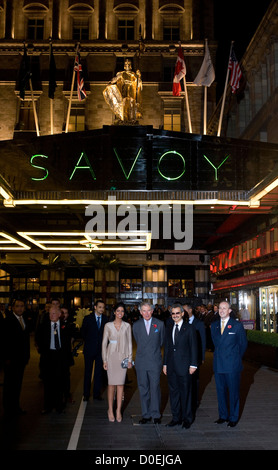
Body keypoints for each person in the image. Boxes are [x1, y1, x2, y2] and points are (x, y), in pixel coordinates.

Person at [210, 300, 248, 427]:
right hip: (218, 365)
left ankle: (233, 417)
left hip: (232, 365)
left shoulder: (236, 326)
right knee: (220, 392)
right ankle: (223, 415)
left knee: (233, 393)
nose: (221, 310)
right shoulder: (214, 325)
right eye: (220, 308)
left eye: (224, 308)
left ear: (229, 311)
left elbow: (243, 345)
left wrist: (235, 358)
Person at [163, 303, 198, 429]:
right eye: (173, 313)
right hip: (171, 367)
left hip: (185, 366)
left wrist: (193, 364)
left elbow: (194, 347)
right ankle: (176, 418)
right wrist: (165, 364)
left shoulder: (189, 328)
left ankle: (187, 419)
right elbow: (167, 347)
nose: (175, 315)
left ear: (183, 314)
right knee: (174, 394)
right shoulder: (169, 327)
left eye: (178, 313)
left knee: (186, 394)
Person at [36, 305, 73, 414]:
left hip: (61, 358)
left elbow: (67, 343)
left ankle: (59, 406)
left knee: (60, 383)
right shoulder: (43, 326)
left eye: (53, 313)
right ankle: (47, 406)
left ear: (59, 314)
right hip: (48, 358)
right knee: (48, 383)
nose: (51, 315)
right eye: (50, 314)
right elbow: (38, 339)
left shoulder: (65, 326)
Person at [132, 301, 165, 424]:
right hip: (141, 362)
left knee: (155, 388)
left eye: (148, 310)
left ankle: (156, 414)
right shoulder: (136, 325)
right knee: (143, 388)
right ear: (140, 312)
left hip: (155, 361)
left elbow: (161, 342)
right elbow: (138, 340)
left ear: (152, 311)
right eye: (144, 311)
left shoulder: (160, 324)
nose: (146, 313)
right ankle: (145, 414)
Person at [102, 302, 133, 422]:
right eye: (118, 311)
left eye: (122, 311)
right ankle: (110, 409)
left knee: (120, 384)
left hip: (123, 357)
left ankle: (118, 410)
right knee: (111, 385)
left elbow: (130, 343)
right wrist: (104, 360)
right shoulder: (108, 326)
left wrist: (129, 359)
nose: (120, 313)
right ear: (114, 312)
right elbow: (104, 344)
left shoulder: (127, 326)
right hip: (111, 356)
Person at [2, 298, 30, 417]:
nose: (20, 308)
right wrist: (6, 358)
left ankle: (16, 407)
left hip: (21, 359)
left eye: (22, 306)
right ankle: (8, 410)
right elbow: (3, 341)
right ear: (12, 308)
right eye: (17, 306)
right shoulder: (7, 321)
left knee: (17, 384)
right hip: (11, 360)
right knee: (9, 385)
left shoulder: (24, 319)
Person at [81, 299, 108, 401]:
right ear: (95, 307)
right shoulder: (88, 319)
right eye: (100, 307)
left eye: (103, 307)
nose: (102, 309)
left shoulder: (105, 319)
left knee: (98, 373)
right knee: (87, 372)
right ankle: (86, 394)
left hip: (101, 351)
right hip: (89, 350)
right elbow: (83, 333)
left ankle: (97, 394)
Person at [183, 303, 206, 414]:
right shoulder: (182, 323)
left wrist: (202, 357)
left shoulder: (199, 323)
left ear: (190, 310)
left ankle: (195, 401)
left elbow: (203, 341)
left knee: (195, 380)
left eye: (184, 310)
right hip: (184, 358)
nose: (183, 313)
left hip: (195, 358)